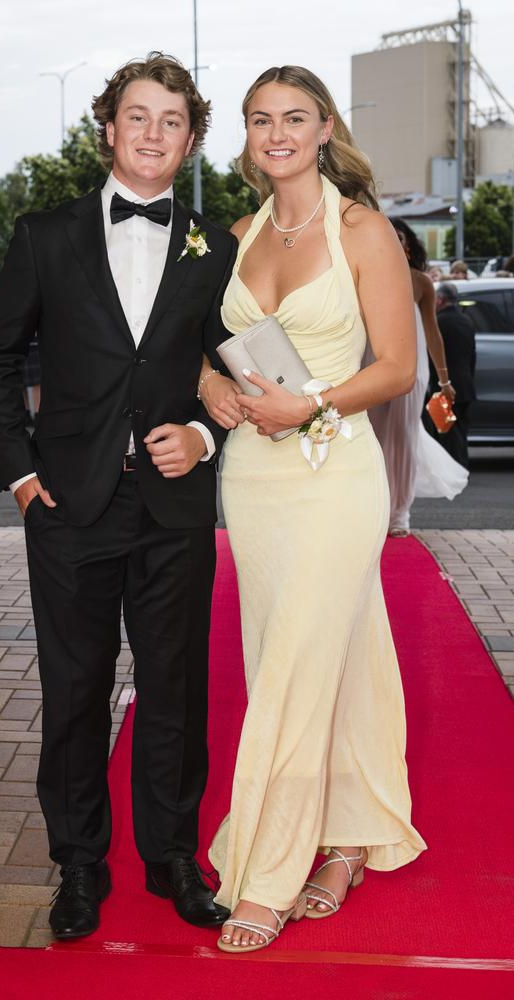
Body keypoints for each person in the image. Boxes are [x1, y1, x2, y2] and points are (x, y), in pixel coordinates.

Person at [0, 52, 237, 941]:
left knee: (175, 689)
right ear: (108, 128)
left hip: (174, 508)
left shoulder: (216, 245)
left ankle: (171, 859)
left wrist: (204, 435)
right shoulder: (45, 234)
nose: (153, 132)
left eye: (171, 119)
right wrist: (18, 472)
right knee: (76, 690)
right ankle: (79, 865)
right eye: (137, 115)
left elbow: (236, 371)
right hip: (68, 506)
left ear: (190, 138)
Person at [197, 65, 426, 954]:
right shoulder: (238, 234)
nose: (277, 133)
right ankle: (348, 836)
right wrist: (211, 383)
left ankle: (270, 867)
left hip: (335, 472)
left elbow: (398, 367)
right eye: (261, 120)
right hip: (254, 479)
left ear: (326, 128)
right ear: (249, 137)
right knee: (314, 649)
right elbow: (194, 346)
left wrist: (314, 402)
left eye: (295, 117)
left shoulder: (364, 230)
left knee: (296, 658)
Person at [369, 219, 466, 536]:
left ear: (408, 245)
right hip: (370, 364)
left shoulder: (421, 282)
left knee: (404, 438)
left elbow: (432, 332)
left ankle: (399, 514)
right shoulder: (364, 275)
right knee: (373, 439)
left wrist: (444, 380)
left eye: (399, 238)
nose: (394, 243)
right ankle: (376, 509)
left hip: (412, 368)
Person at [432, 281, 476, 469]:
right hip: (466, 385)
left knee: (447, 430)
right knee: (460, 429)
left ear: (440, 299)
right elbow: (472, 356)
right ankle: (463, 465)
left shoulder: (438, 323)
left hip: (445, 386)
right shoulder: (467, 321)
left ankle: (454, 468)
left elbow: (432, 356)